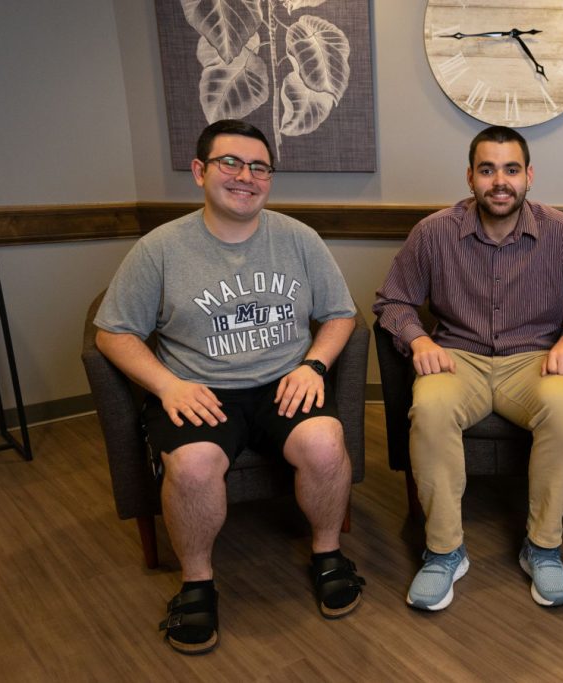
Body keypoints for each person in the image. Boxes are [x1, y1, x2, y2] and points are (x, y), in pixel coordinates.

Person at [94, 120, 365, 654]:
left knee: (325, 445)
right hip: (199, 389)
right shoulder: (160, 249)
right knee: (193, 466)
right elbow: (112, 332)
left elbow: (340, 315)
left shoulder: (299, 239)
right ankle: (197, 584)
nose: (246, 176)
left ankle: (328, 554)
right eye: (230, 163)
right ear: (200, 171)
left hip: (283, 382)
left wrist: (312, 365)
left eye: (259, 167)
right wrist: (168, 386)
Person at [373, 125, 563, 611]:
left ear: (529, 176)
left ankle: (543, 546)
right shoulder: (434, 232)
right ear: (470, 177)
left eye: (511, 169)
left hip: (534, 359)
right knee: (430, 408)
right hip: (457, 357)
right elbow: (392, 301)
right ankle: (444, 551)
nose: (499, 181)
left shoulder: (562, 231)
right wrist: (418, 337)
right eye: (487, 170)